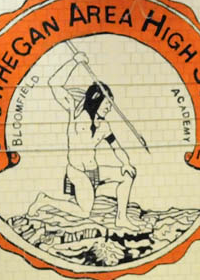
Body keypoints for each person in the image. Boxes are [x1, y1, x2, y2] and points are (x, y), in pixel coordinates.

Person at [27, 54, 142, 230]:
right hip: (77, 173)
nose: (109, 107)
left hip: (94, 171)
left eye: (111, 104)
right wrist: (75, 61)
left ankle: (121, 218)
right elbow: (54, 83)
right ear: (97, 99)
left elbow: (116, 147)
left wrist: (126, 162)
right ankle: (45, 201)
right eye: (107, 103)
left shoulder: (104, 125)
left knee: (127, 175)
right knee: (84, 212)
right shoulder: (76, 111)